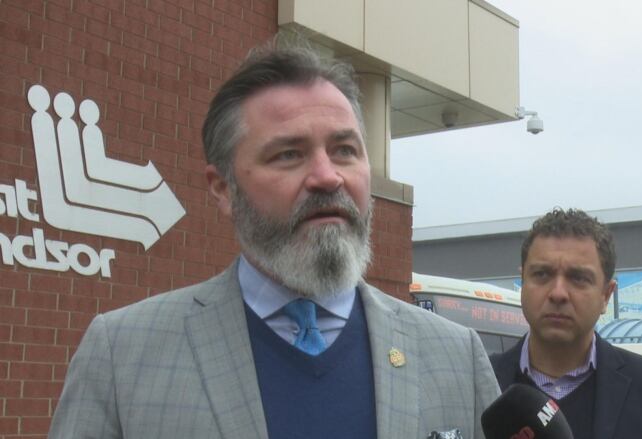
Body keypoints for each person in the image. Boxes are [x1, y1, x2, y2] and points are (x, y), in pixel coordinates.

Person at [49, 38, 499, 439]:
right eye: (289, 154)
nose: (327, 176)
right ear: (223, 188)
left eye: (345, 150)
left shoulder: (455, 355)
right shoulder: (122, 353)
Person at [490, 208, 642, 439]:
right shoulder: (479, 381)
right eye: (542, 274)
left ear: (606, 295)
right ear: (523, 283)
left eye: (578, 278)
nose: (558, 293)